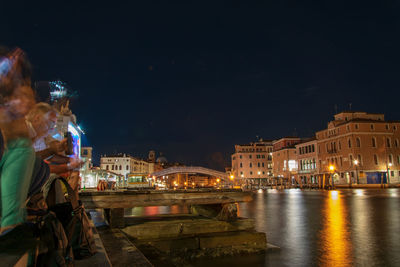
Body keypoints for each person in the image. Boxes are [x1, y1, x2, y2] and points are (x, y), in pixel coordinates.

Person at [0, 47, 36, 266]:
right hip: (13, 150)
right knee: (11, 222)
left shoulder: (21, 141)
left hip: (17, 151)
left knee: (11, 222)